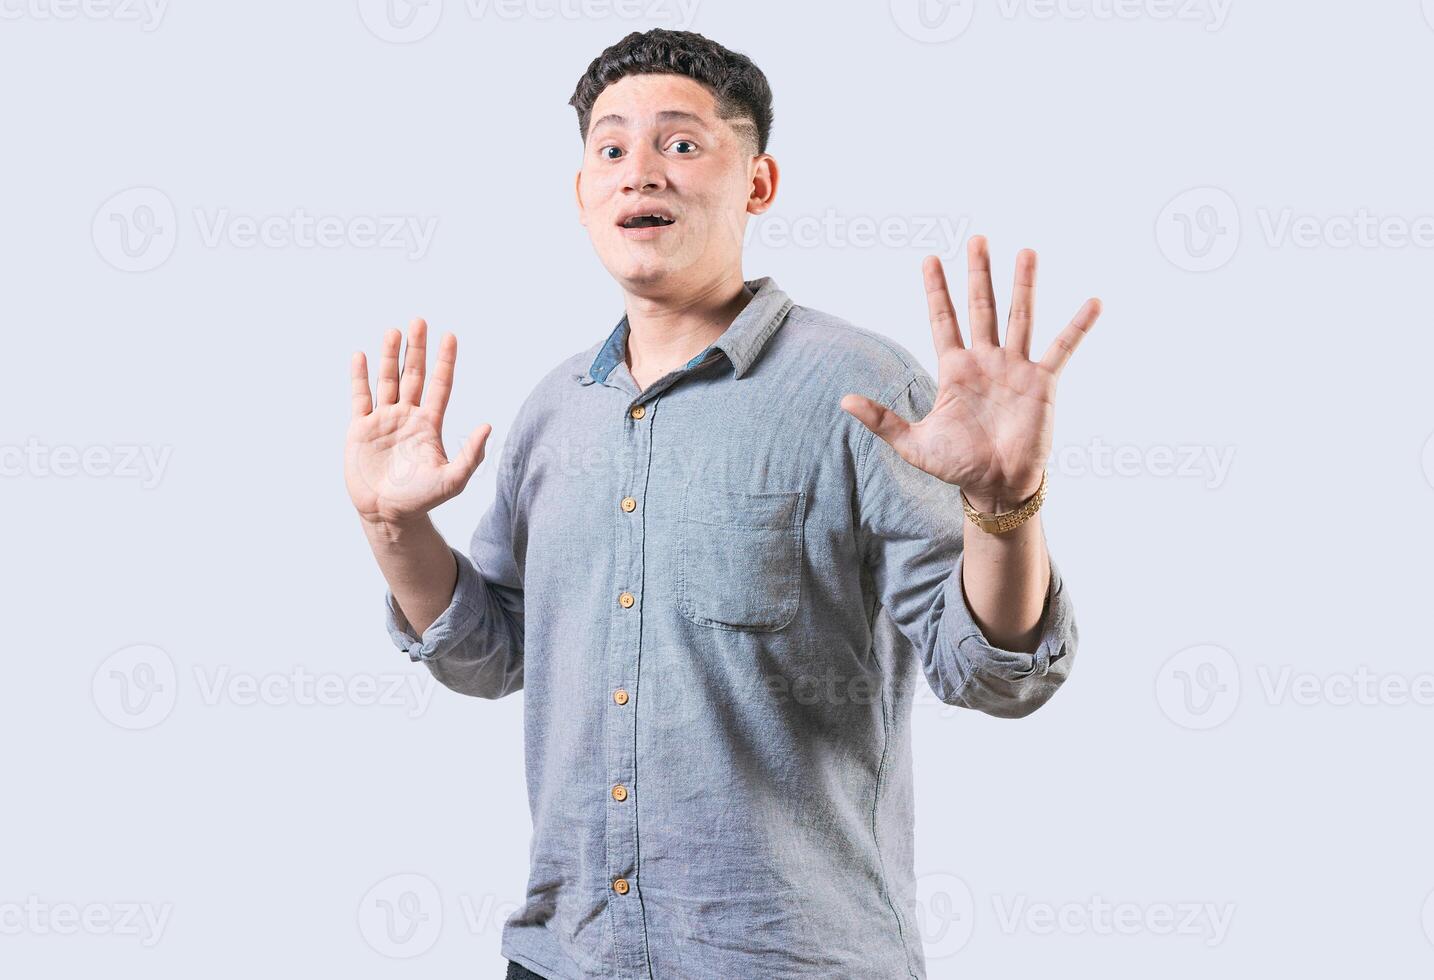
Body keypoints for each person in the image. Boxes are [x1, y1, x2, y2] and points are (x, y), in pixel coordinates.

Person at [344, 28, 1100, 980]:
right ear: (582, 194)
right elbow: (489, 655)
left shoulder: (861, 390)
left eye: (682, 144)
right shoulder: (550, 415)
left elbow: (991, 673)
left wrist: (1007, 503)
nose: (640, 173)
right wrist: (393, 527)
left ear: (759, 182)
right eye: (610, 149)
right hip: (562, 958)